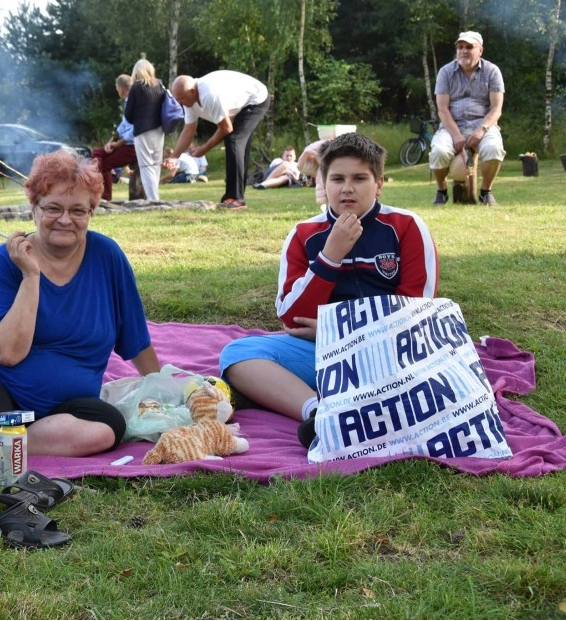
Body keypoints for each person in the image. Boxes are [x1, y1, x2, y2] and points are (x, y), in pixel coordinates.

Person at [0, 151, 162, 461]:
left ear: (92, 212)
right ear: (33, 208)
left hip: (66, 404)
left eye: (78, 210)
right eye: (53, 208)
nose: (65, 220)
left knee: (106, 429)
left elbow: (136, 340)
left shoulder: (108, 256)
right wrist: (30, 275)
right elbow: (8, 354)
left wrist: (163, 392)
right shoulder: (4, 261)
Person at [218, 133, 439, 448]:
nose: (347, 188)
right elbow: (292, 317)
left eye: (359, 178)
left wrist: (337, 331)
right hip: (326, 353)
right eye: (337, 178)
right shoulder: (304, 234)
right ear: (323, 182)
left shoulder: (406, 226)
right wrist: (329, 257)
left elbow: (417, 312)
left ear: (378, 184)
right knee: (237, 355)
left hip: (390, 351)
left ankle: (366, 403)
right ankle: (321, 413)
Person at [169, 70, 271, 209]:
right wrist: (174, 157)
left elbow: (226, 128)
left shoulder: (209, 95)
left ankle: (235, 199)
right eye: (177, 99)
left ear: (193, 91)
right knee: (237, 142)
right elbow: (188, 131)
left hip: (256, 98)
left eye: (181, 98)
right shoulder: (189, 101)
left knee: (234, 140)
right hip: (239, 103)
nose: (180, 103)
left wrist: (203, 149)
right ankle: (237, 197)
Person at [428, 31, 505, 206]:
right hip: (452, 125)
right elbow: (442, 109)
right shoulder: (445, 72)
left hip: (483, 125)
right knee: (439, 152)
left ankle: (486, 192)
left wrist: (481, 130)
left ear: (480, 50)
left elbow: (496, 109)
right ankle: (441, 191)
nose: (463, 51)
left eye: (469, 47)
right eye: (460, 47)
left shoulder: (492, 71)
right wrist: (456, 135)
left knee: (494, 149)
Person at [123, 59, 166, 202]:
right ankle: (155, 196)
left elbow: (128, 115)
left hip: (143, 131)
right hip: (160, 130)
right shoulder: (159, 85)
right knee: (155, 165)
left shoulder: (136, 87)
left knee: (146, 165)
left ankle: (153, 199)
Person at [91, 74, 138, 201]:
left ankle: (103, 195)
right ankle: (102, 193)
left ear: (121, 89)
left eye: (117, 89)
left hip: (131, 146)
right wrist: (111, 141)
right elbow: (122, 126)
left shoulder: (136, 101)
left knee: (104, 164)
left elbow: (134, 130)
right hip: (123, 143)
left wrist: (119, 144)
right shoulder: (128, 102)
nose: (118, 92)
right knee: (96, 153)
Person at [298, 138, 331, 210]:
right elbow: (300, 166)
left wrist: (315, 154)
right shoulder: (318, 166)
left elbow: (324, 165)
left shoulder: (330, 164)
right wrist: (307, 153)